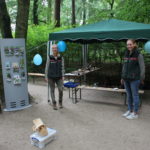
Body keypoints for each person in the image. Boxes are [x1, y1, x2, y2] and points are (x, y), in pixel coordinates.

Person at [121, 39, 145, 119]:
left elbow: (142, 68)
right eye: (127, 44)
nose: (129, 46)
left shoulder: (138, 54)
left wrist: (141, 78)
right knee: (129, 95)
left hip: (135, 79)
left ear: (134, 44)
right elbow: (124, 66)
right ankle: (130, 110)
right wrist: (122, 77)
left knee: (135, 95)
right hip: (126, 78)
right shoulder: (126, 53)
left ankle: (135, 113)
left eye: (130, 44)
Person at [45, 44, 65, 110]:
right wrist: (46, 76)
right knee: (52, 90)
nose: (54, 49)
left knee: (61, 90)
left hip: (59, 77)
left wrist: (63, 76)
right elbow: (47, 67)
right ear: (52, 50)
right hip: (51, 77)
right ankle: (54, 103)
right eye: (53, 48)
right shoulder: (49, 57)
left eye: (55, 48)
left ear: (57, 49)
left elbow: (63, 67)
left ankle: (60, 102)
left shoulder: (61, 57)